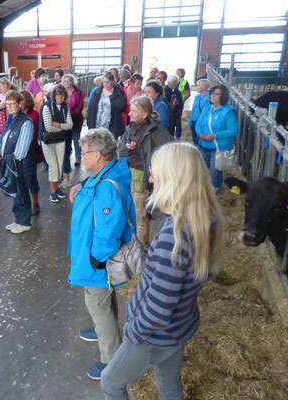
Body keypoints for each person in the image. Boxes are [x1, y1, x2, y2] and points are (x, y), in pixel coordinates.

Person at [101, 141, 224, 400]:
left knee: (110, 382)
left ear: (173, 179)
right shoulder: (204, 221)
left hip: (153, 336)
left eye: (156, 172)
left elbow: (158, 309)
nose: (151, 177)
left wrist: (133, 331)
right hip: (179, 328)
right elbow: (200, 276)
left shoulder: (174, 236)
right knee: (168, 383)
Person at [67, 128, 136, 380]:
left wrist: (97, 260)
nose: (82, 157)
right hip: (92, 255)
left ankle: (112, 362)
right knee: (103, 301)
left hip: (97, 261)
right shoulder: (105, 174)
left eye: (85, 153)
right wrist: (82, 184)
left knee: (97, 304)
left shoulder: (106, 187)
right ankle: (104, 329)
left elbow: (109, 230)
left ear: (98, 155)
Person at [118, 96, 173, 246]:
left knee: (140, 214)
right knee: (129, 209)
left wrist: (155, 168)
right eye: (130, 109)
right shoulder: (130, 127)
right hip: (129, 173)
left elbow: (170, 150)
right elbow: (121, 150)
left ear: (145, 114)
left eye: (134, 111)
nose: (129, 113)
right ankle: (132, 242)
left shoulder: (157, 131)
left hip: (143, 176)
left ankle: (141, 248)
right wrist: (128, 147)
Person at [0, 91, 35, 234]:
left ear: (20, 104)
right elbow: (3, 139)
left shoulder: (26, 122)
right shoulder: (11, 119)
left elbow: (21, 151)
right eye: (7, 104)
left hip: (20, 164)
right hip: (10, 162)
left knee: (22, 192)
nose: (9, 107)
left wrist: (6, 159)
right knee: (16, 192)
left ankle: (25, 222)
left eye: (12, 103)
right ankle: (18, 219)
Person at [195, 84, 239, 192]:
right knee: (201, 167)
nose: (212, 96)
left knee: (215, 170)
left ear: (222, 96)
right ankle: (201, 185)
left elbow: (234, 130)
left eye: (216, 94)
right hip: (204, 144)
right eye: (212, 94)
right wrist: (200, 133)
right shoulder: (207, 108)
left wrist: (215, 135)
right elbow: (198, 124)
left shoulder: (228, 112)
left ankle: (216, 187)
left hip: (218, 147)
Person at [41, 84, 73, 203]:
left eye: (63, 95)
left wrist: (58, 124)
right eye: (58, 95)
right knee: (53, 166)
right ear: (54, 95)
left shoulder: (65, 107)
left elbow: (70, 125)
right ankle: (52, 192)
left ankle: (57, 188)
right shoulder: (46, 107)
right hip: (48, 141)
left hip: (60, 140)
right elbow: (48, 127)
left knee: (59, 166)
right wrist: (63, 127)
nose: (60, 97)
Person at [87, 71, 127, 140]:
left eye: (108, 82)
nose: (106, 84)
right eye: (104, 82)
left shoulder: (118, 92)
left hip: (112, 126)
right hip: (97, 125)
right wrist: (89, 122)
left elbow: (121, 106)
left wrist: (111, 96)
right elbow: (90, 107)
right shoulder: (97, 92)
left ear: (113, 81)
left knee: (111, 148)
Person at [20, 90, 42, 216]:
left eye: (21, 100)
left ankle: (35, 204)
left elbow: (33, 132)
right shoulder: (16, 114)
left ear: (27, 101)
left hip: (30, 151)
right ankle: (25, 204)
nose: (19, 103)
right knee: (21, 179)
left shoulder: (33, 115)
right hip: (18, 153)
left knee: (31, 178)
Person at [62, 73, 84, 178]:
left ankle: (78, 157)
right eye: (65, 81)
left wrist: (69, 114)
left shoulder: (78, 92)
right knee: (66, 139)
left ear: (72, 82)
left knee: (76, 137)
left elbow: (80, 106)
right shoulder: (61, 91)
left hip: (75, 119)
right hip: (64, 120)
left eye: (68, 81)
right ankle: (66, 156)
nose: (66, 82)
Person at [188, 78, 211, 145]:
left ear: (204, 86)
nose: (196, 87)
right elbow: (193, 109)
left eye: (198, 85)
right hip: (194, 121)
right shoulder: (197, 97)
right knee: (194, 139)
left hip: (202, 122)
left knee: (201, 140)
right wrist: (190, 120)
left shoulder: (209, 97)